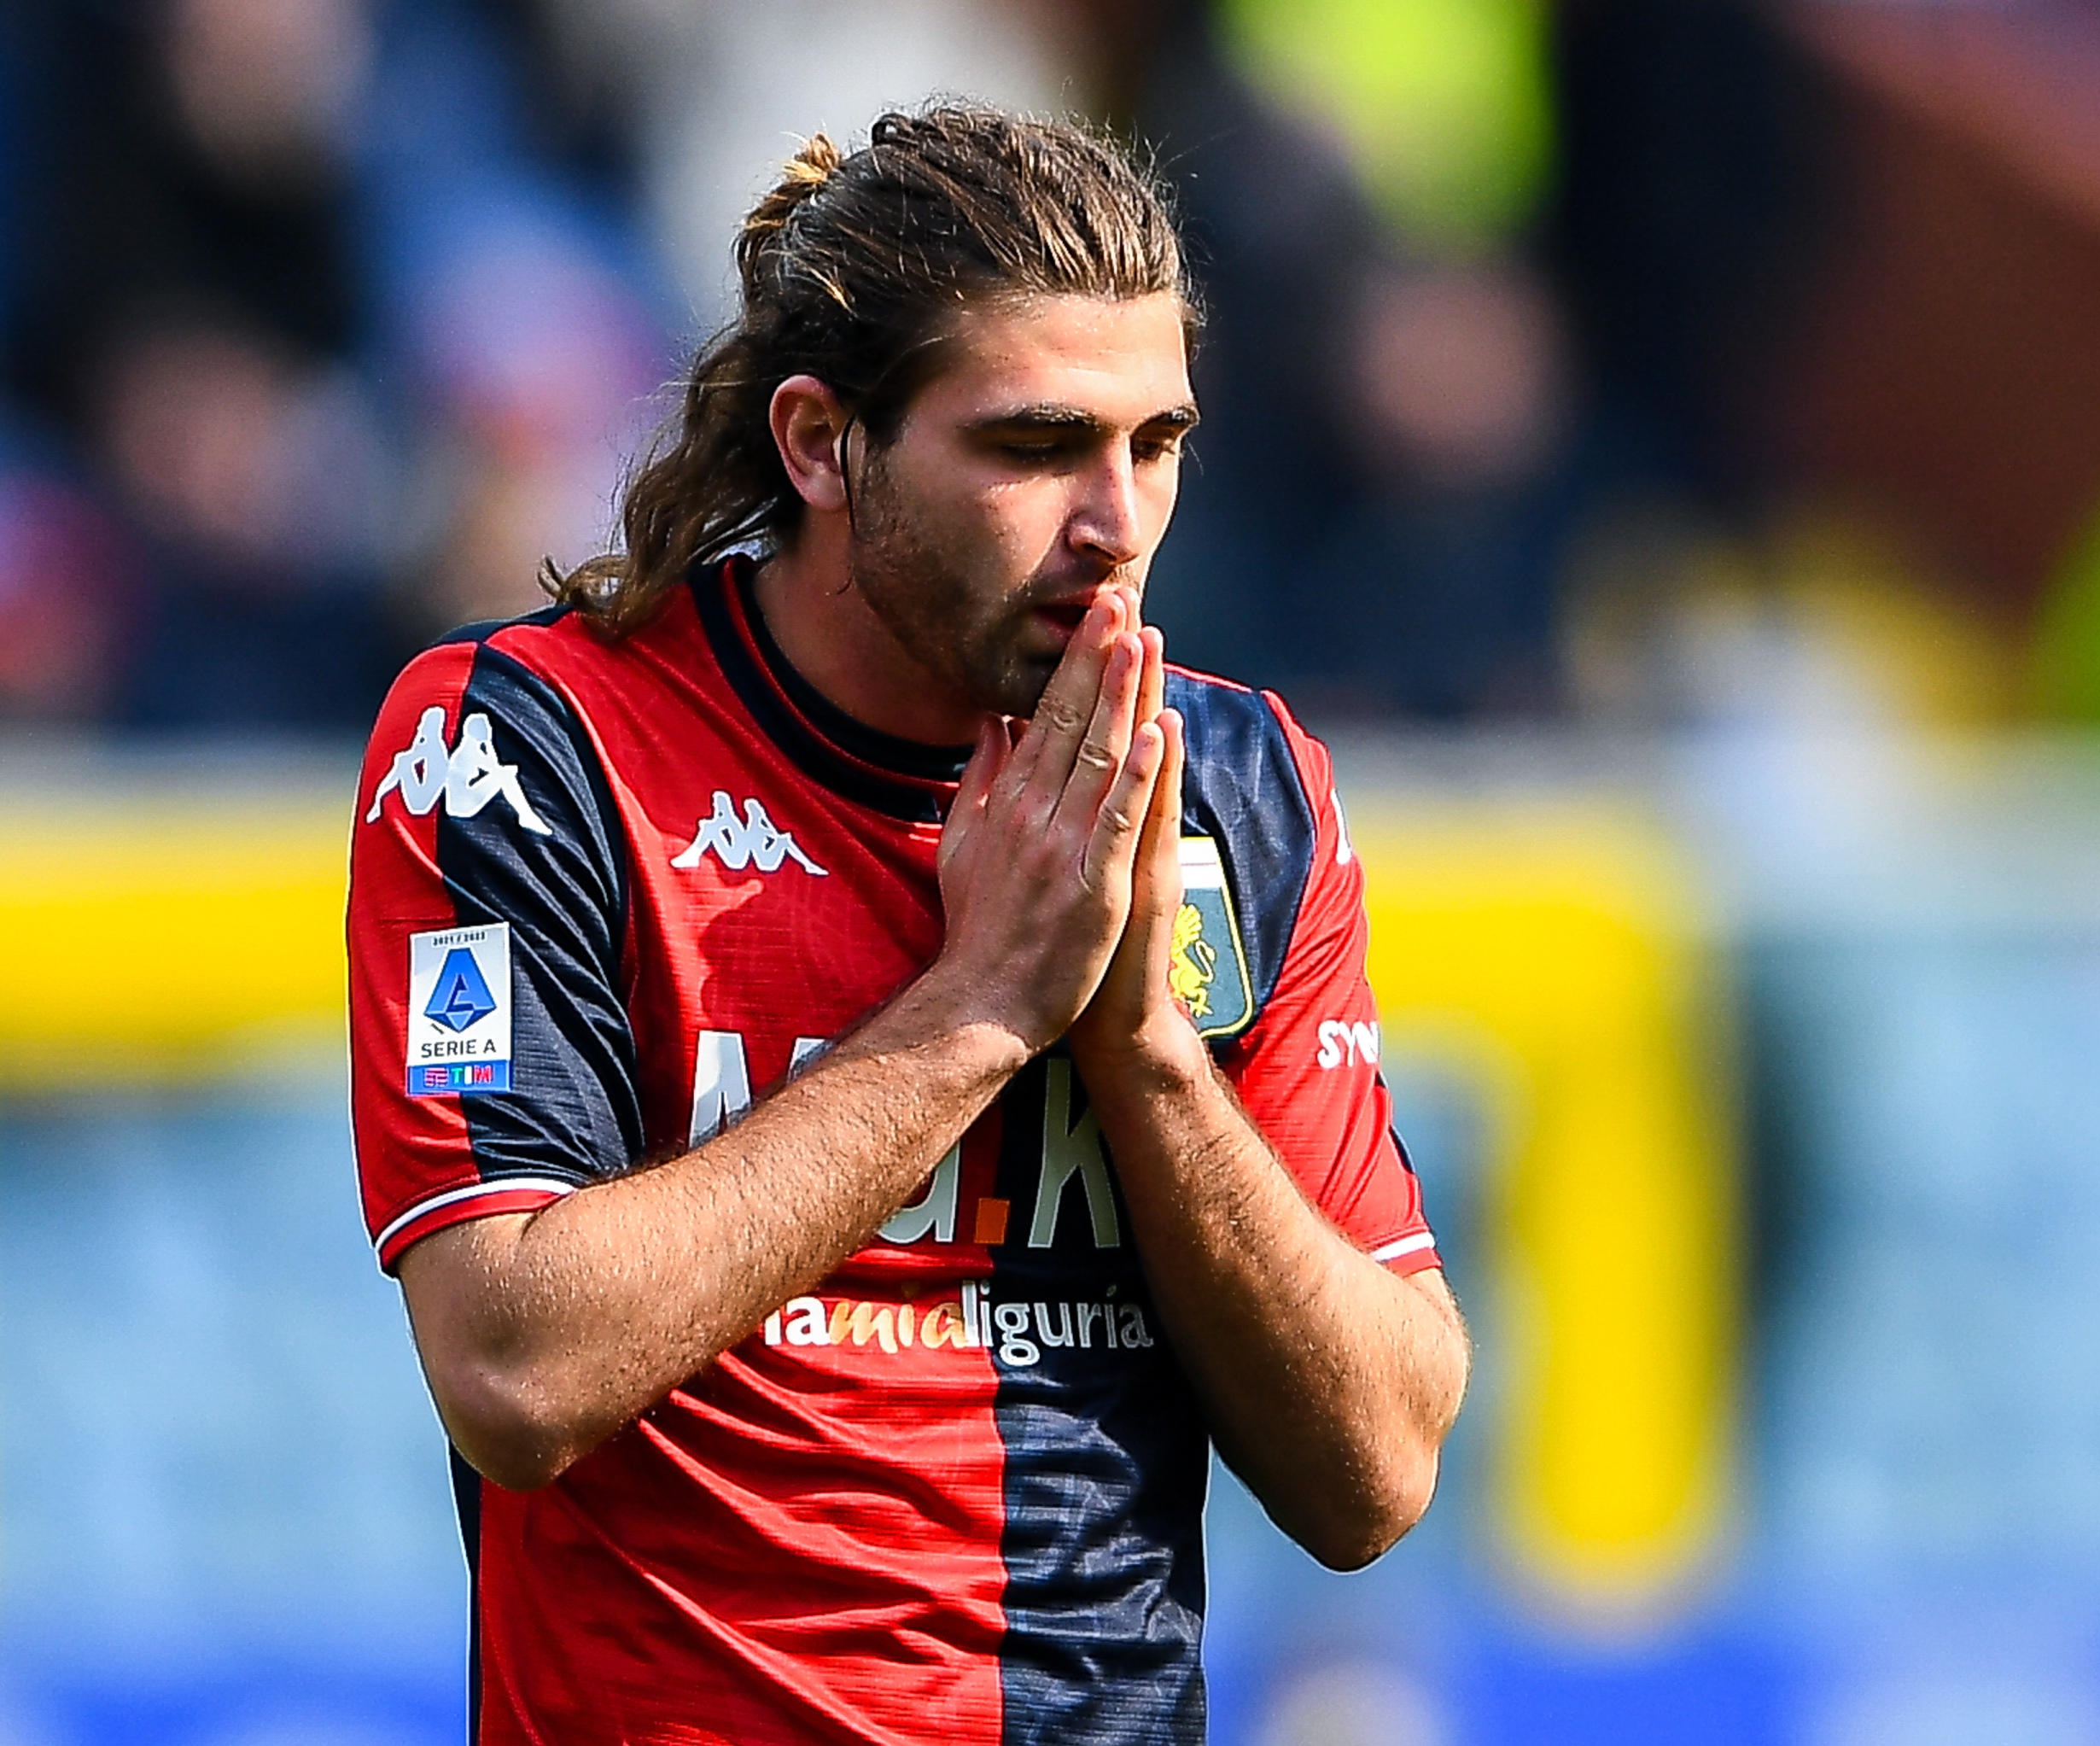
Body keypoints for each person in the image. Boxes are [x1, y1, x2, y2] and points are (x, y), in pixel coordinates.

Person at [344, 108, 1467, 1744]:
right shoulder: (527, 748)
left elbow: (1379, 1467)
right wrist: (984, 1006)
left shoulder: (1240, 788)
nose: (1119, 523)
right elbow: (514, 1367)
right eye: (1034, 446)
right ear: (820, 443)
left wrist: (1144, 1050)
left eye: (1155, 443)